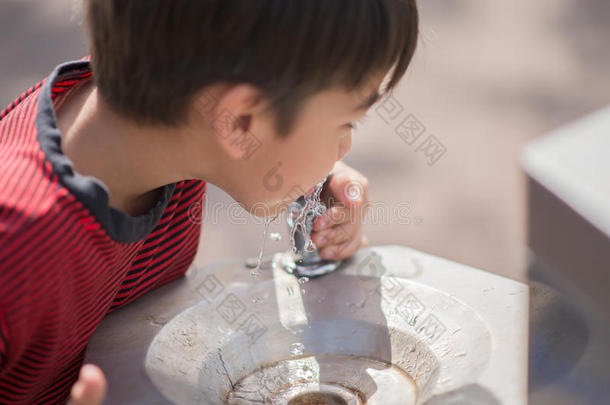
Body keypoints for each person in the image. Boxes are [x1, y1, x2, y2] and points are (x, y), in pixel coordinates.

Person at [0, 0, 419, 403]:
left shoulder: (147, 115)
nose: (344, 147)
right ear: (238, 123)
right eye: (346, 123)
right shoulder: (19, 241)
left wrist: (314, 191)